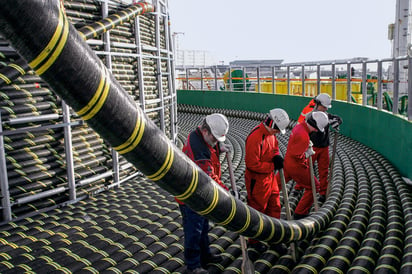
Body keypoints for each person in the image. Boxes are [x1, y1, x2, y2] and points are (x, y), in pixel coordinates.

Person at [175, 113, 230, 274]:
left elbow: (210, 147)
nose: (215, 143)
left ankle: (205, 256)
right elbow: (209, 179)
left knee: (203, 227)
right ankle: (193, 265)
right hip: (191, 196)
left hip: (200, 194)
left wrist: (218, 148)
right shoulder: (198, 150)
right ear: (206, 131)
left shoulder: (200, 136)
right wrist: (228, 194)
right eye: (215, 140)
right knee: (194, 231)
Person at [244, 108, 290, 253]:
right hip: (257, 181)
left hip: (270, 179)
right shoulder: (255, 137)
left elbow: (274, 148)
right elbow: (252, 164)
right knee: (258, 210)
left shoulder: (271, 135)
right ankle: (254, 240)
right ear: (272, 125)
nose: (277, 133)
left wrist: (276, 156)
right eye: (277, 130)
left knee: (275, 207)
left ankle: (274, 238)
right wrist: (272, 165)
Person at [277, 111, 329, 219]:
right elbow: (298, 157)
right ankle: (300, 213)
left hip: (287, 162)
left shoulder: (299, 127)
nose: (315, 130)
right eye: (316, 128)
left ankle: (262, 200)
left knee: (276, 185)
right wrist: (307, 153)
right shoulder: (303, 136)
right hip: (296, 167)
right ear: (314, 125)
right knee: (314, 186)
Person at [297, 93, 343, 202]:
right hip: (312, 148)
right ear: (317, 104)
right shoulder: (310, 117)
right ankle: (298, 188)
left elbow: (338, 118)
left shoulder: (327, 115)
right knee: (305, 168)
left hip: (324, 147)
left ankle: (323, 192)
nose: (325, 109)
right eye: (324, 106)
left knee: (324, 171)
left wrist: (337, 121)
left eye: (326, 107)